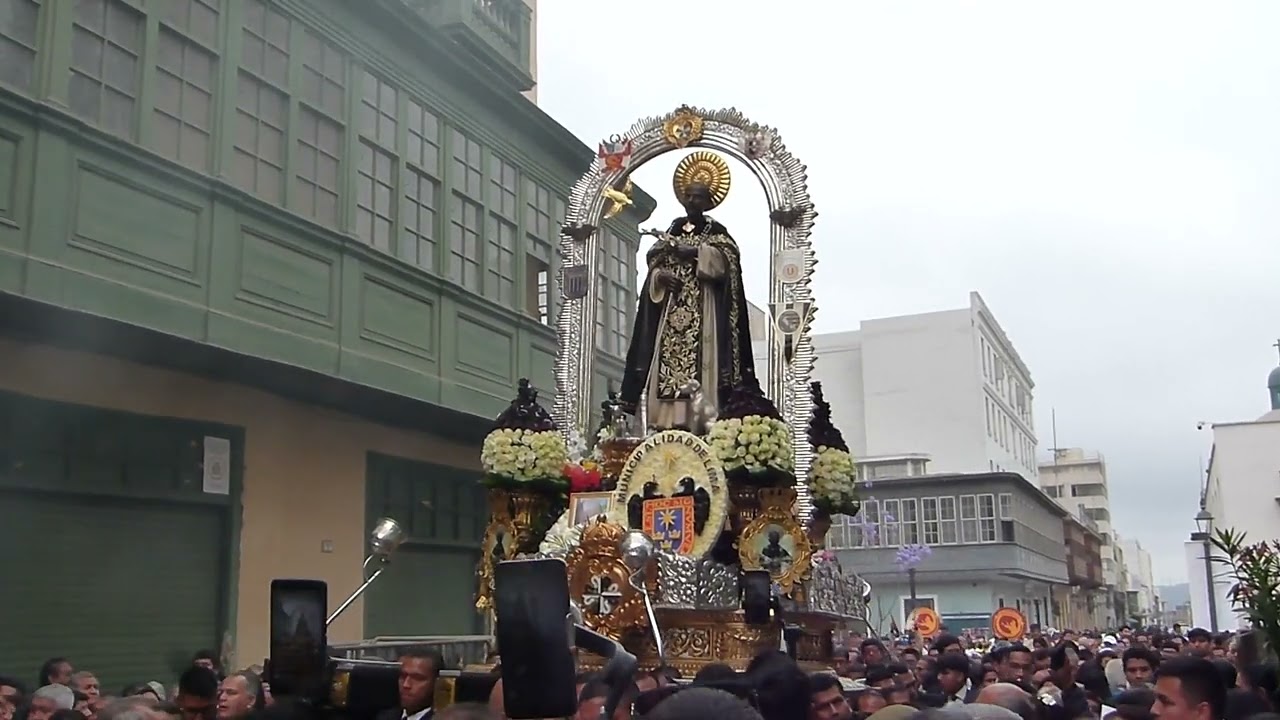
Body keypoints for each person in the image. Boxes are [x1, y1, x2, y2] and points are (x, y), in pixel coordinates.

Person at [619, 151, 756, 429]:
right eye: (688, 196)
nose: (692, 201)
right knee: (666, 369)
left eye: (698, 197)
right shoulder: (674, 229)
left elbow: (726, 262)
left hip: (703, 312)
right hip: (671, 314)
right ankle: (667, 424)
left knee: (701, 366)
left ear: (708, 201)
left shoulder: (716, 231)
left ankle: (701, 420)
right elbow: (654, 263)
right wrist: (660, 278)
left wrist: (695, 251)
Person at [377, 650, 442, 720]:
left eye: (417, 678)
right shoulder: (385, 717)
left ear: (437, 682)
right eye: (403, 676)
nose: (406, 685)